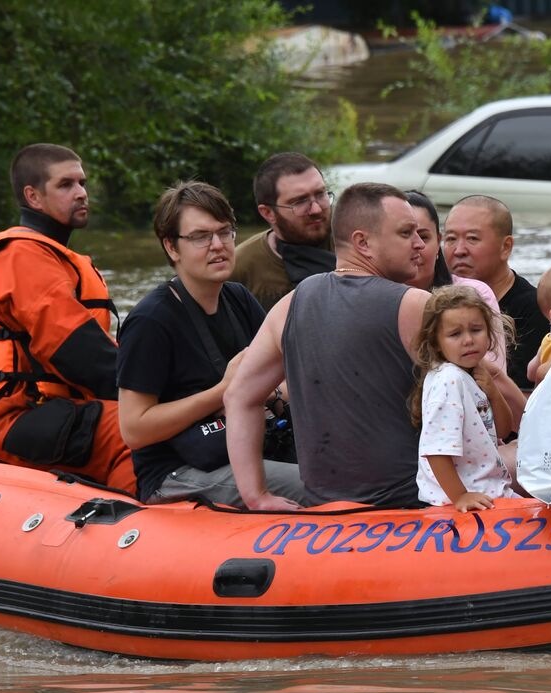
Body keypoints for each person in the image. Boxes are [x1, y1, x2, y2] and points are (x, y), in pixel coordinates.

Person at [224, 182, 432, 511]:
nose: (420, 244)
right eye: (407, 233)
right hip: (409, 506)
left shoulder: (290, 304)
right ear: (363, 242)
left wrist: (255, 496)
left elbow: (238, 396)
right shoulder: (416, 304)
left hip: (325, 510)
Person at [0, 143, 136, 494]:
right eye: (66, 185)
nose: (81, 193)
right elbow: (79, 353)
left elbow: (100, 360)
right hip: (10, 421)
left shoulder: (58, 257)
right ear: (33, 197)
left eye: (82, 183)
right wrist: (157, 395)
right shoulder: (21, 254)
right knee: (142, 432)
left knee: (161, 419)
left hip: (56, 411)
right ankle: (149, 524)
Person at [115, 181, 310, 507]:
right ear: (172, 247)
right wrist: (223, 392)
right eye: (201, 237)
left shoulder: (238, 298)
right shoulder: (150, 321)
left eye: (225, 232)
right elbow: (134, 429)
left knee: (346, 469)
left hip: (249, 447)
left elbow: (283, 379)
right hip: (178, 472)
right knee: (314, 487)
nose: (218, 245)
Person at [410, 285, 520, 511]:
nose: (468, 340)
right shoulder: (449, 381)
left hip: (487, 489)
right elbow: (436, 451)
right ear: (436, 342)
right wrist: (460, 496)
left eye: (476, 329)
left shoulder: (470, 374)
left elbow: (503, 430)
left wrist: (493, 392)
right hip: (464, 497)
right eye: (455, 334)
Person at [441, 195, 549, 391]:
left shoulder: (534, 308)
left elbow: (528, 397)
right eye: (450, 239)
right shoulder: (437, 302)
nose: (459, 250)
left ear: (506, 247)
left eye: (472, 238)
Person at [231, 152, 335, 311]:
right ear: (268, 213)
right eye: (300, 201)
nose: (316, 209)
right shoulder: (239, 268)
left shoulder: (359, 239)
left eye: (320, 194)